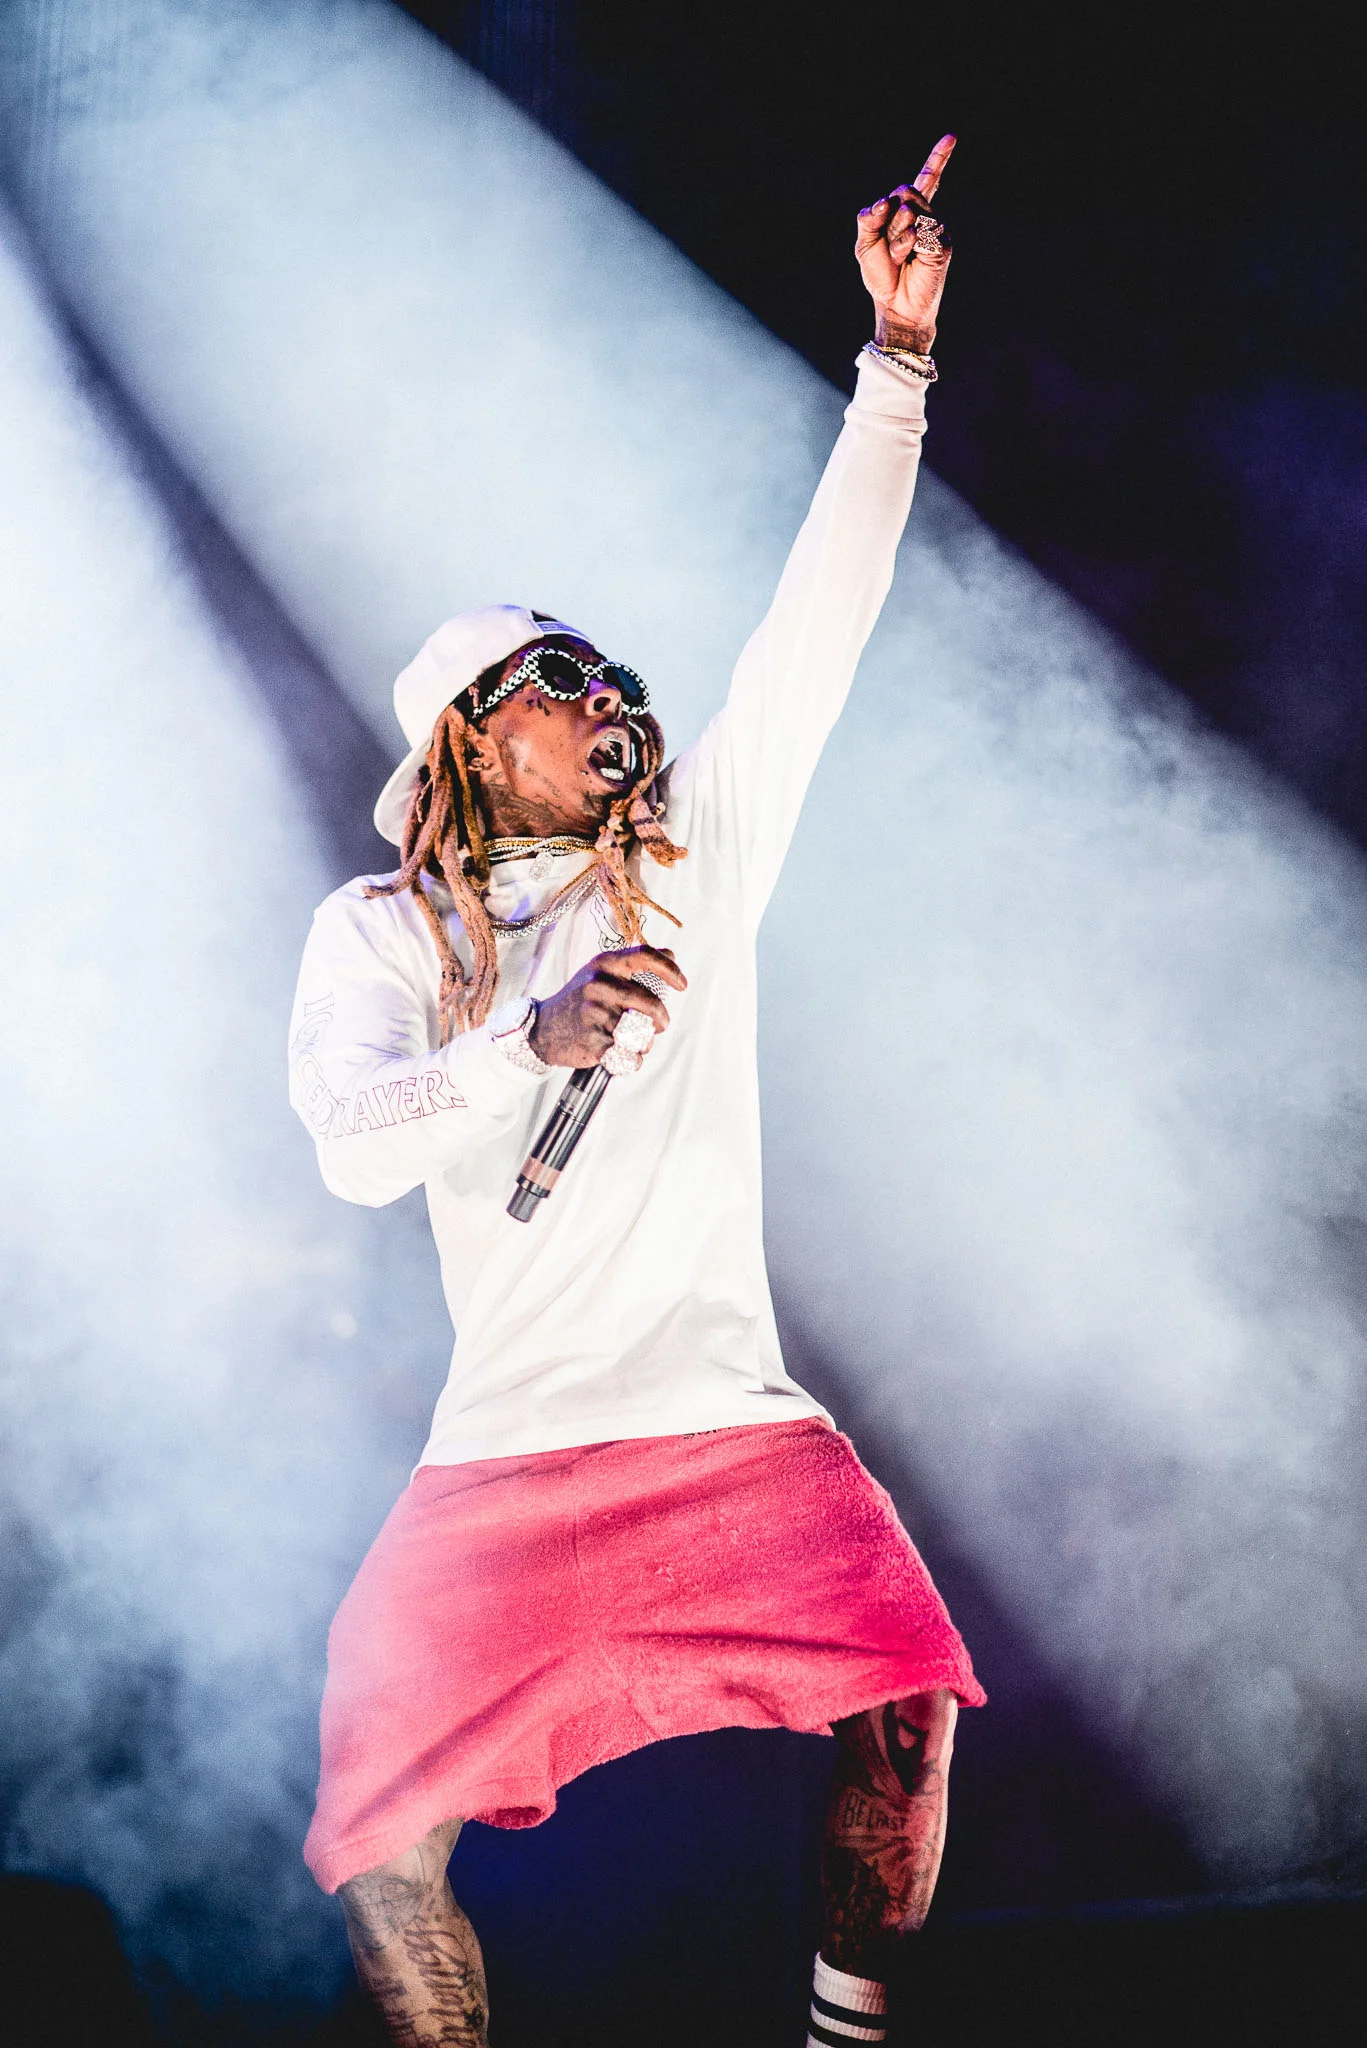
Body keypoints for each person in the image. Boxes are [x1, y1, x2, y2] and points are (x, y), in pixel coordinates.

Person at [288, 134, 983, 2048]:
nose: (606, 693)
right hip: (501, 1451)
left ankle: (844, 2032)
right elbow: (350, 1153)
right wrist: (530, 1040)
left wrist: (896, 361)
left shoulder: (683, 869)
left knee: (905, 1696)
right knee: (377, 1832)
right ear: (465, 740)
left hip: (720, 1425)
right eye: (555, 676)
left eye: (609, 669)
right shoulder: (378, 933)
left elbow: (815, 625)